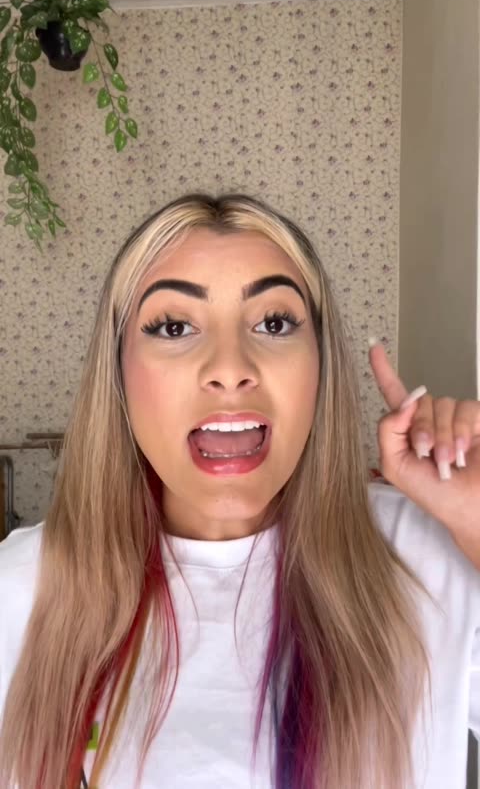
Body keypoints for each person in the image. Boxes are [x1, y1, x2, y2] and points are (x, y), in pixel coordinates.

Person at [0, 193, 479, 789]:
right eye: (174, 327)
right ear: (118, 373)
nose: (230, 368)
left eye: (273, 323)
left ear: (321, 366)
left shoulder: (428, 557)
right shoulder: (21, 587)